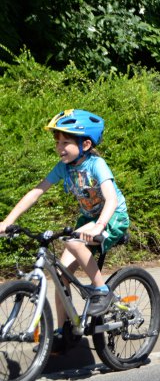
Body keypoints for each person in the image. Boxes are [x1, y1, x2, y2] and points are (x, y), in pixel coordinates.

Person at [0, 109, 129, 349]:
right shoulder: (64, 168)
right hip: (88, 221)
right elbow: (36, 192)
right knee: (60, 277)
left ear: (86, 144)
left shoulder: (97, 164)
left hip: (112, 219)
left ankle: (101, 290)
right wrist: (8, 221)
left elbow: (110, 199)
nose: (59, 147)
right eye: (57, 142)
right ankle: (63, 331)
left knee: (73, 241)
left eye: (66, 142)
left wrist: (100, 226)